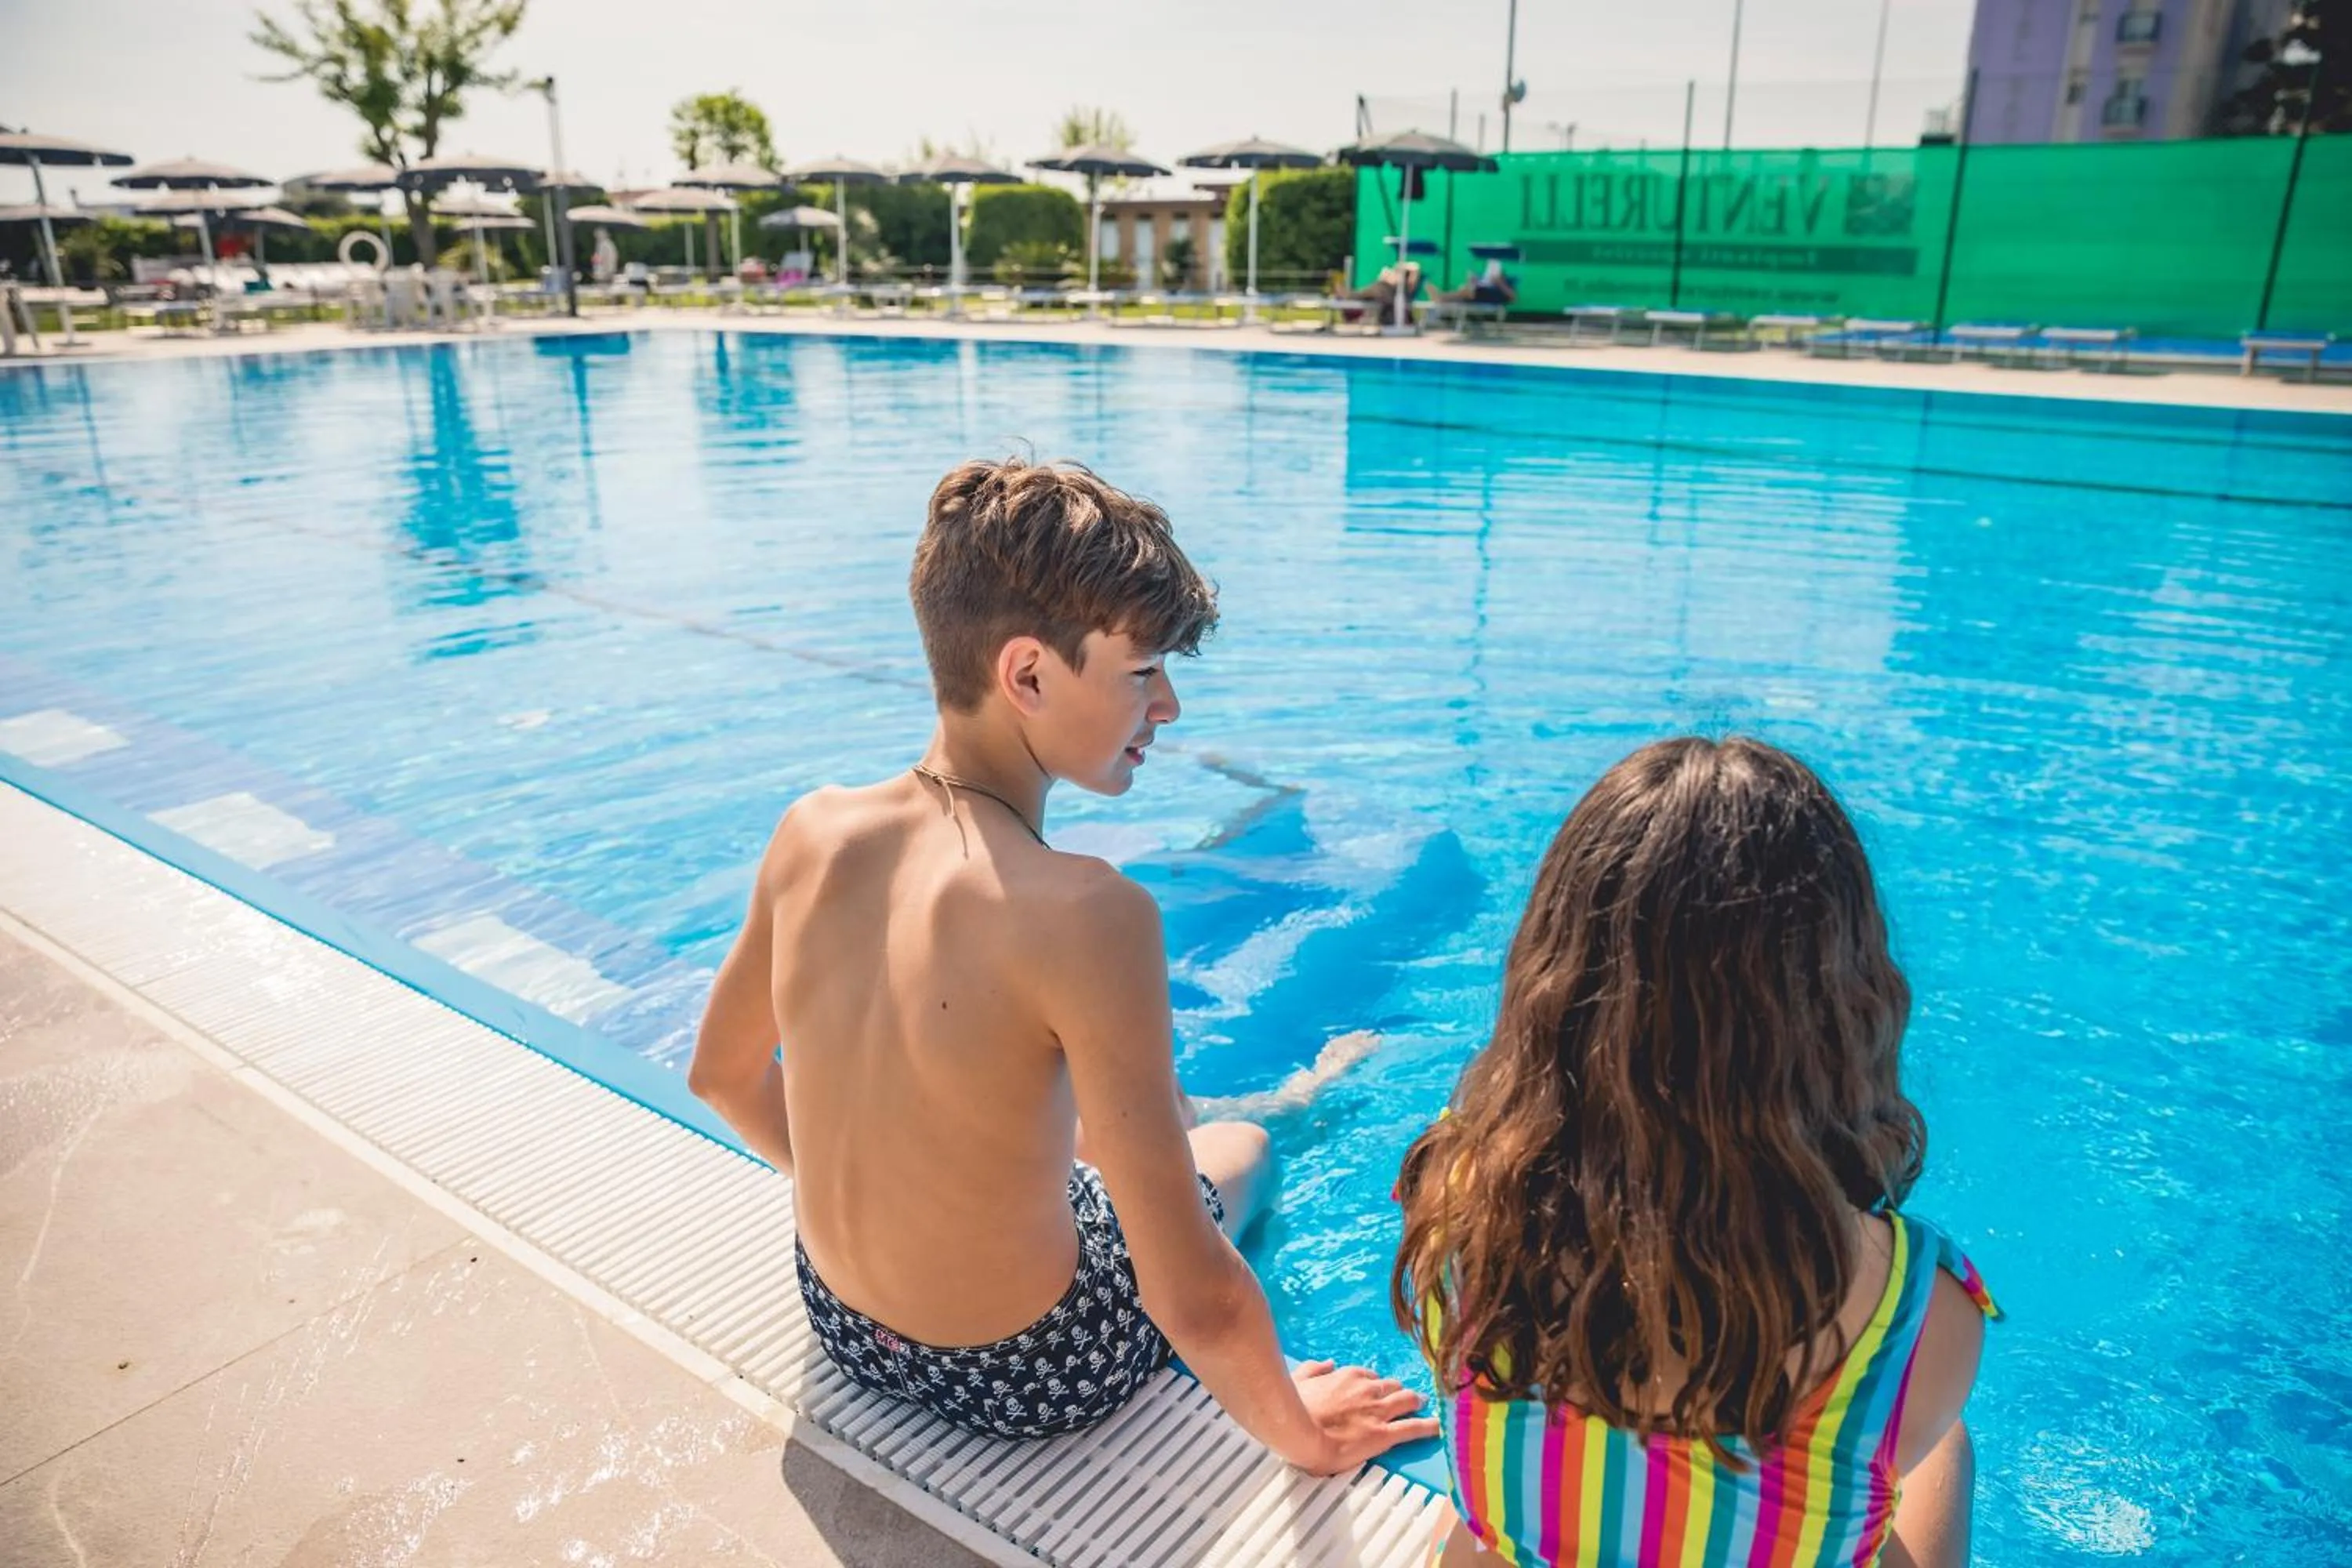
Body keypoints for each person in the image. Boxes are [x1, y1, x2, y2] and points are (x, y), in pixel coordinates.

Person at [689, 456, 1437, 1472]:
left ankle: (1181, 1119)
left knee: (1084, 1123)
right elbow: (1194, 1293)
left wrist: (906, 1219)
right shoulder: (1091, 914)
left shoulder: (812, 830)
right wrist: (1301, 1435)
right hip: (1025, 1369)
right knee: (1243, 1157)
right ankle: (1279, 1103)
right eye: (1142, 672)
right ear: (1028, 674)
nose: (1167, 706)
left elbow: (723, 1076)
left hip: (843, 1320)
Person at [1393, 737, 1997, 1567]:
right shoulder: (1920, 1308)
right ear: (1836, 1002)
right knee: (1942, 1448)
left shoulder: (1452, 1201)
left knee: (1482, 1527)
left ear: (1556, 978)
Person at [1431, 257, 1515, 308]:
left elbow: (1513, 298)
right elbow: (1483, 282)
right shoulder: (1487, 278)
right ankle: (1441, 297)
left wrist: (1500, 283)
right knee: (1464, 290)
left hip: (1492, 297)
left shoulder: (1505, 282)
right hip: (1481, 292)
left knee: (1466, 291)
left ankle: (1440, 297)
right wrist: (1474, 280)